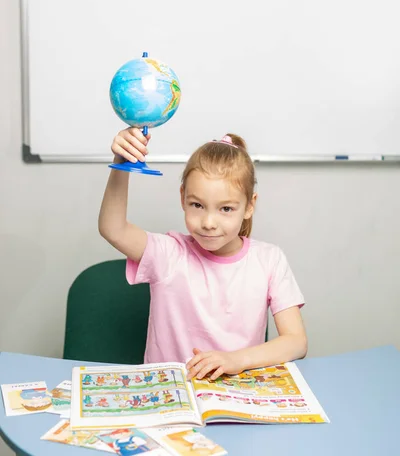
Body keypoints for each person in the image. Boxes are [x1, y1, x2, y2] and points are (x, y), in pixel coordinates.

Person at [99, 128, 307, 380]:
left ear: (250, 205)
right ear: (182, 197)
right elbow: (113, 228)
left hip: (234, 397)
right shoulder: (168, 253)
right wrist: (122, 164)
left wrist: (235, 360)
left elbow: (296, 341)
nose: (209, 222)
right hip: (171, 397)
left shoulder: (270, 260)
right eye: (197, 205)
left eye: (226, 208)